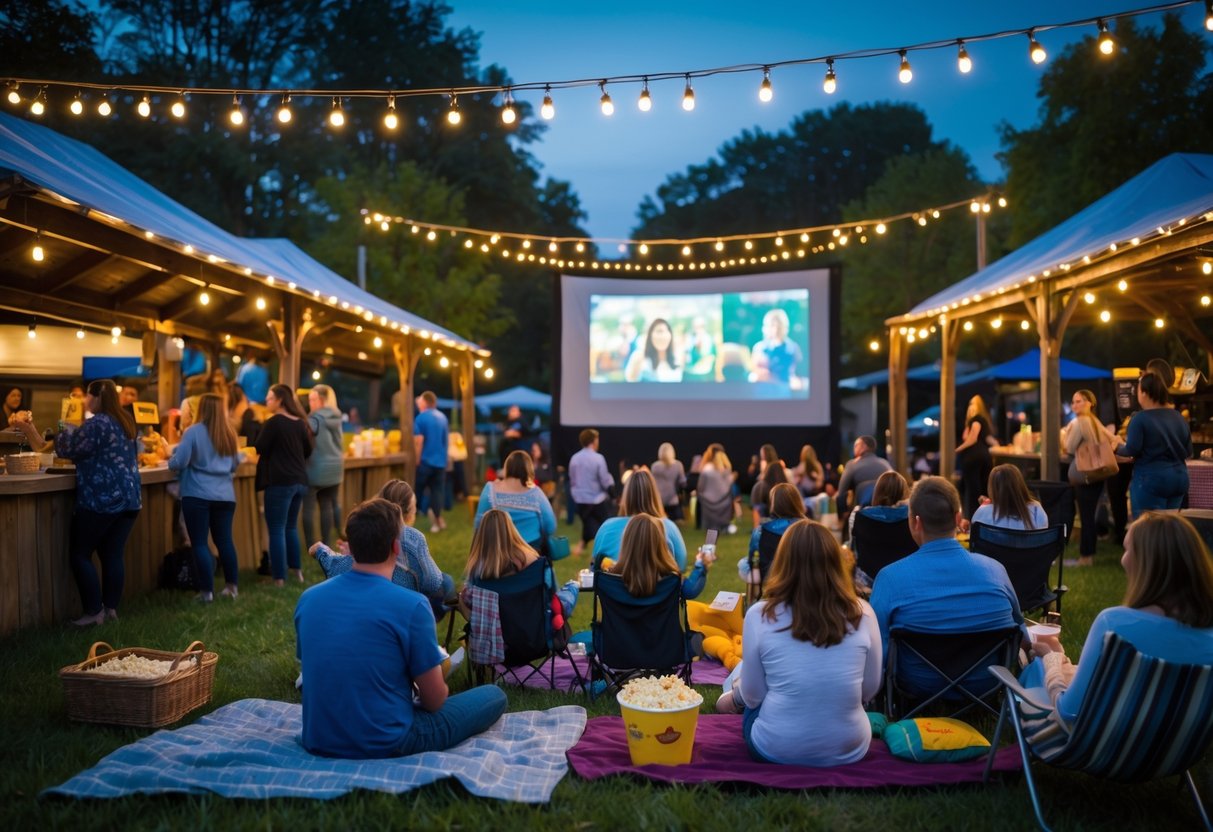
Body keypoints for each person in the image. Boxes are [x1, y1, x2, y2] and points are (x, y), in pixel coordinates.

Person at [296, 497, 507, 758]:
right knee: (494, 695)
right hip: (387, 739)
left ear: (351, 546)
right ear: (396, 546)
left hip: (319, 737)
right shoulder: (413, 605)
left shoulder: (308, 599)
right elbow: (434, 701)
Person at [1020, 512, 1213, 725]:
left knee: (1037, 667)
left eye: (1127, 549)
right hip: (1171, 751)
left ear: (1145, 564)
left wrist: (1051, 657)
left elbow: (1068, 712)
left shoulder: (1115, 624)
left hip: (1087, 747)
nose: (1122, 560)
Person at [717, 519, 882, 767]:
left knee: (747, 683)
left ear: (782, 563)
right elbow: (869, 691)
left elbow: (754, 697)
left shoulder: (759, 614)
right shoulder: (864, 613)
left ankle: (732, 693)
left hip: (775, 747)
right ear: (835, 563)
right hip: (850, 745)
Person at [870, 476, 1024, 698]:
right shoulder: (996, 571)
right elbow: (1018, 626)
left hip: (917, 685)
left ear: (916, 522)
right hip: (987, 683)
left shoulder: (890, 579)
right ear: (958, 518)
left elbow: (877, 649)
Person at [11, 380, 140, 626]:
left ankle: (94, 613)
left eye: (87, 396)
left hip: (103, 499)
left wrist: (45, 429)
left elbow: (62, 448)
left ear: (97, 397)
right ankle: (110, 610)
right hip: (130, 499)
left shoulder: (96, 424)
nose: (84, 401)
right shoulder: (125, 421)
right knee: (112, 555)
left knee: (80, 554)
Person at [312, 479, 455, 618]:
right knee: (446, 581)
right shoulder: (411, 539)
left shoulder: (311, 600)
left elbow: (338, 566)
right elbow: (433, 583)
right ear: (395, 547)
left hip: (360, 598)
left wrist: (321, 550)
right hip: (402, 607)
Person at [168, 393, 243, 602]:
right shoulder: (229, 433)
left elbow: (180, 462)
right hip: (225, 495)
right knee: (225, 541)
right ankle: (231, 587)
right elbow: (235, 464)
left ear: (202, 409)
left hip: (197, 494)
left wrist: (170, 462)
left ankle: (207, 592)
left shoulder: (193, 432)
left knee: (199, 543)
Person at [462, 508, 580, 623]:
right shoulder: (534, 563)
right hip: (532, 630)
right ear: (511, 530)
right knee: (569, 589)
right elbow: (549, 595)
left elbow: (470, 603)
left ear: (482, 535)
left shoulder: (476, 568)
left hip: (494, 634)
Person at [256, 383, 313, 586]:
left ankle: (279, 578)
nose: (266, 401)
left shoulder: (274, 423)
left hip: (280, 482)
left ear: (280, 400)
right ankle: (297, 572)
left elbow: (260, 447)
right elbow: (307, 450)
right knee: (290, 527)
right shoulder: (300, 423)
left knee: (277, 529)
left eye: (269, 398)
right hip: (300, 481)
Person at [1115, 371, 1191, 517]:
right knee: (1170, 527)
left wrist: (1117, 446)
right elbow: (1188, 452)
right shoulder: (1179, 417)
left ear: (1144, 393)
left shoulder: (1140, 418)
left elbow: (1131, 450)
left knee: (1148, 530)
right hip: (1179, 479)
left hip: (1151, 480)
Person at [592, 468, 688, 570]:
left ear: (626, 496)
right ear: (655, 496)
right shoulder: (668, 527)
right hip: (659, 585)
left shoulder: (607, 527)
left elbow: (594, 567)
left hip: (614, 584)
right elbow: (681, 566)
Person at [474, 450, 558, 556]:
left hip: (499, 551)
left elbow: (479, 523)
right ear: (529, 470)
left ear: (506, 468)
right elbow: (550, 525)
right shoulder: (536, 493)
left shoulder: (490, 490)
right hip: (531, 550)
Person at [609, 514, 710, 601]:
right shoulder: (671, 580)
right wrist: (700, 565)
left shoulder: (609, 581)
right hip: (663, 624)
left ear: (626, 543)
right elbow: (691, 590)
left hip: (621, 624)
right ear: (661, 544)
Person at [1062, 389, 1110, 565]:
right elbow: (1111, 439)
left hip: (1085, 474)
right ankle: (1088, 553)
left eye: (1079, 401)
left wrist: (1066, 433)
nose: (1075, 405)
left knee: (1086, 516)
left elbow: (1069, 446)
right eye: (1073, 402)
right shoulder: (1095, 421)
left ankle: (1086, 557)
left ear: (1090, 403)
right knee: (1090, 514)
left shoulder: (1081, 422)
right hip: (1099, 472)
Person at [303, 384, 344, 548]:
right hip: (336, 467)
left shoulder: (314, 419)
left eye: (312, 399)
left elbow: (303, 441)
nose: (310, 403)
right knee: (327, 504)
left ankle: (310, 546)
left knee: (308, 508)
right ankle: (326, 543)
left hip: (316, 468)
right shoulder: (337, 415)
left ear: (321, 400)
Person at [745, 482, 807, 590]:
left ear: (774, 504)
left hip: (771, 578)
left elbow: (753, 559)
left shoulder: (762, 530)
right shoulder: (808, 528)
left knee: (743, 564)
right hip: (804, 578)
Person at [569, 428, 614, 558]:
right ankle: (602, 552)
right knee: (605, 526)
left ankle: (580, 547)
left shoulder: (574, 459)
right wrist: (613, 494)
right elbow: (604, 480)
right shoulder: (598, 458)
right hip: (596, 499)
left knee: (588, 523)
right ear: (593, 441)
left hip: (580, 500)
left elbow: (572, 480)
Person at [847, 470, 911, 560]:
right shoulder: (913, 518)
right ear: (905, 493)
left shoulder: (859, 516)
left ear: (877, 492)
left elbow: (854, 550)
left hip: (868, 573)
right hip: (905, 572)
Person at [971, 464, 1049, 532]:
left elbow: (975, 538)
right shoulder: (1036, 509)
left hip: (995, 549)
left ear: (992, 488)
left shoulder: (983, 511)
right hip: (1028, 549)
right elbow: (1042, 538)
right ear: (1020, 485)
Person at [413, 391, 449, 534]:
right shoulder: (443, 417)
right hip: (440, 462)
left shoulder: (420, 417)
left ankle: (410, 520)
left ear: (424, 402)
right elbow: (445, 441)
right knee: (437, 492)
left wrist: (417, 459)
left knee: (418, 491)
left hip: (426, 461)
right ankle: (437, 521)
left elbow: (419, 441)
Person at [955, 395, 995, 521]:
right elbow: (990, 439)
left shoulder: (976, 419)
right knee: (983, 490)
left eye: (973, 404)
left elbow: (972, 438)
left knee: (972, 492)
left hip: (972, 458)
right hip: (985, 457)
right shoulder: (984, 420)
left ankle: (972, 521)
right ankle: (985, 520)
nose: (970, 407)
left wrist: (958, 449)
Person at [836, 436, 892, 523]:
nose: (854, 448)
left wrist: (842, 516)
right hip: (888, 515)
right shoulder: (885, 463)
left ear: (864, 447)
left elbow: (841, 492)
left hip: (862, 515)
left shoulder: (852, 464)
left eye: (856, 445)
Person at [749, 308, 802, 389]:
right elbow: (754, 370)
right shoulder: (759, 348)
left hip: (785, 388)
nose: (775, 329)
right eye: (772, 325)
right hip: (764, 389)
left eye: (779, 326)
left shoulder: (792, 348)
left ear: (785, 327)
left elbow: (797, 374)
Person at [696, 442, 737, 534]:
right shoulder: (726, 468)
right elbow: (728, 485)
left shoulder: (706, 469)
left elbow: (700, 487)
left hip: (707, 503)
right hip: (724, 503)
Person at [625, 317, 682, 382]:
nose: (663, 335)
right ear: (649, 335)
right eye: (659, 331)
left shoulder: (677, 357)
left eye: (667, 331)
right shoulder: (639, 357)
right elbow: (630, 381)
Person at [651, 442, 687, 522]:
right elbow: (683, 482)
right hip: (672, 500)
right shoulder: (678, 465)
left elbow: (652, 483)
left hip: (659, 499)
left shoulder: (655, 466)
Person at [750, 452, 789, 526]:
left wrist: (756, 529)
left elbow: (756, 508)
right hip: (785, 523)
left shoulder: (761, 486)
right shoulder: (788, 489)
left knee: (758, 507)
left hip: (768, 522)